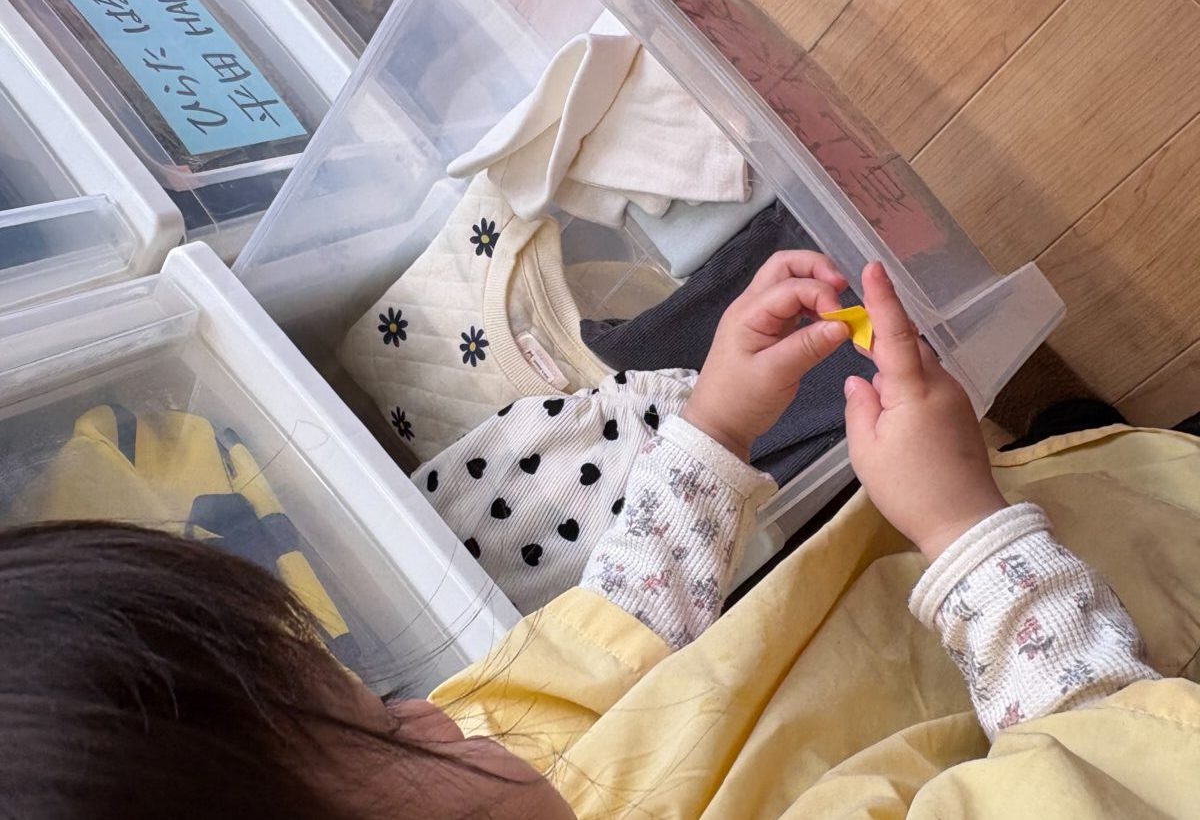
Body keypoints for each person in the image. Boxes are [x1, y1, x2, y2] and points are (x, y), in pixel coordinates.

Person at [2, 257, 1198, 819]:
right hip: (1131, 669)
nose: (432, 708)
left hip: (1054, 539)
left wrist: (716, 421)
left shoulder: (475, 765)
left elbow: (612, 628)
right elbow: (1110, 786)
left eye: (367, 689)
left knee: (1105, 453)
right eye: (383, 727)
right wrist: (964, 529)